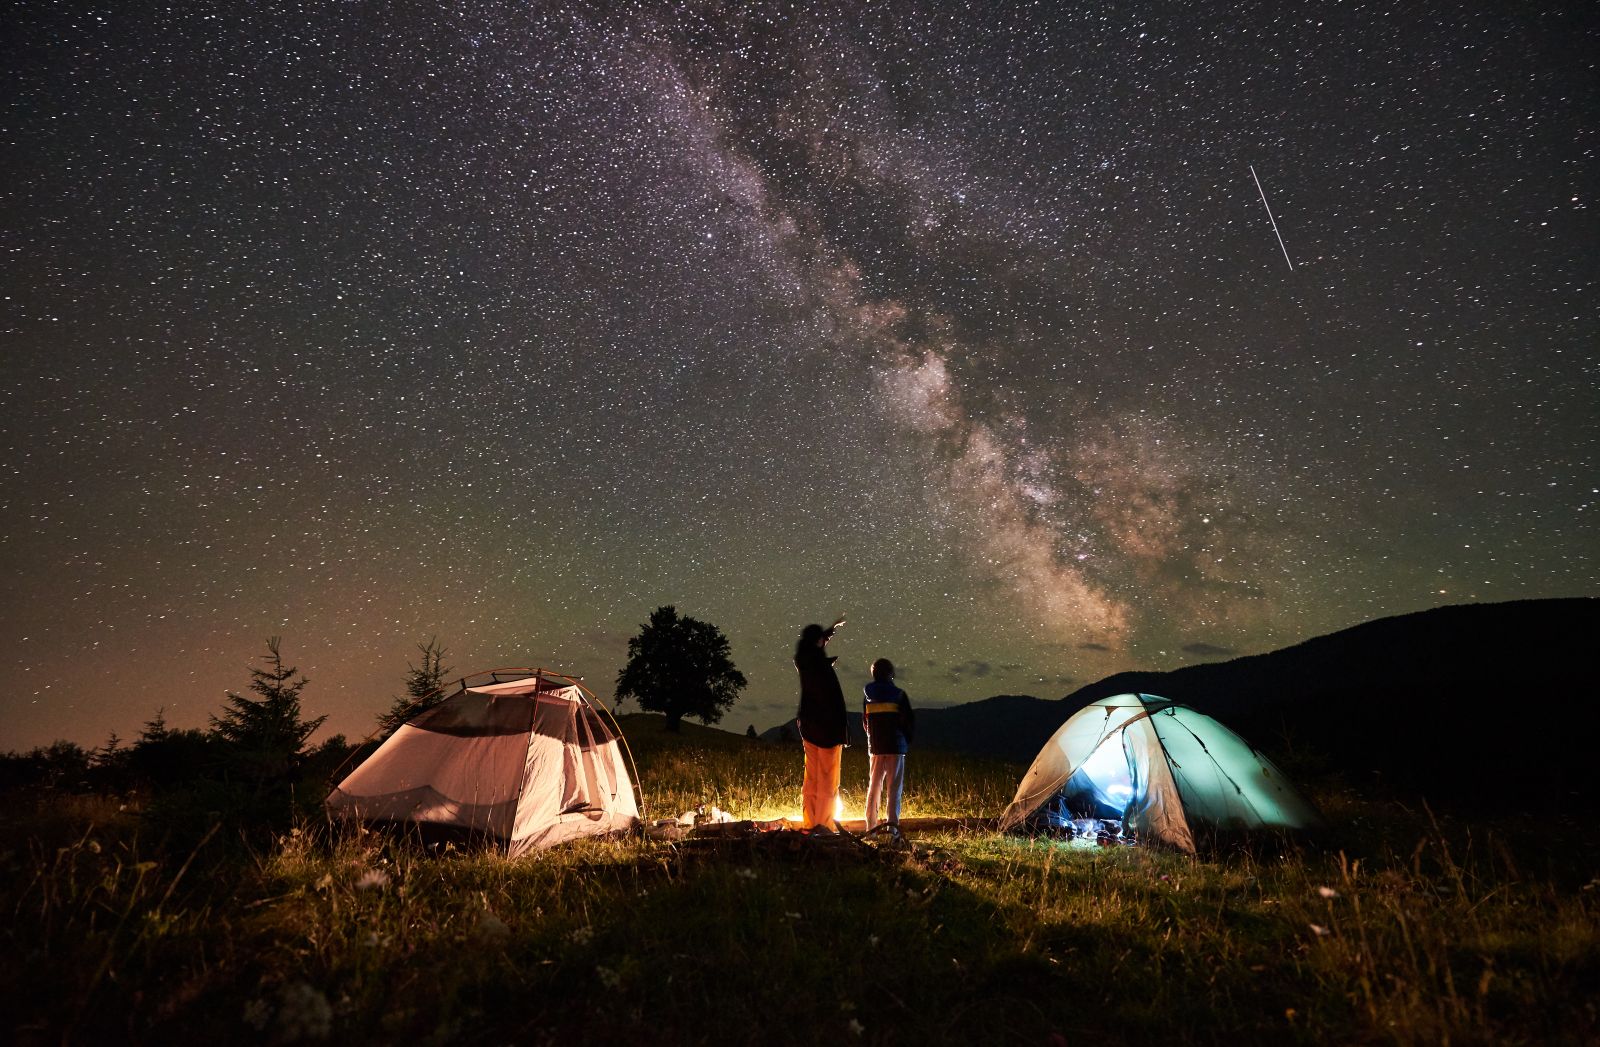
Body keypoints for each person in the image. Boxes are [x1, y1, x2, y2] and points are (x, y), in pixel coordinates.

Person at [794, 619, 847, 832]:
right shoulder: (819, 665)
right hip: (828, 729)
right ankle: (823, 825)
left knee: (812, 777)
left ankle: (809, 822)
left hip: (808, 726)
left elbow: (814, 644)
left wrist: (830, 631)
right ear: (817, 642)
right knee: (827, 779)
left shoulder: (803, 660)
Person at [862, 658, 914, 836]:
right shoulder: (899, 695)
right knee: (894, 790)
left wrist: (872, 737)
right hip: (896, 746)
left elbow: (865, 722)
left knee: (874, 787)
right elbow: (907, 722)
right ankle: (893, 831)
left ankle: (871, 829)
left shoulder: (868, 695)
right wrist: (907, 741)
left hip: (876, 747)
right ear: (891, 673)